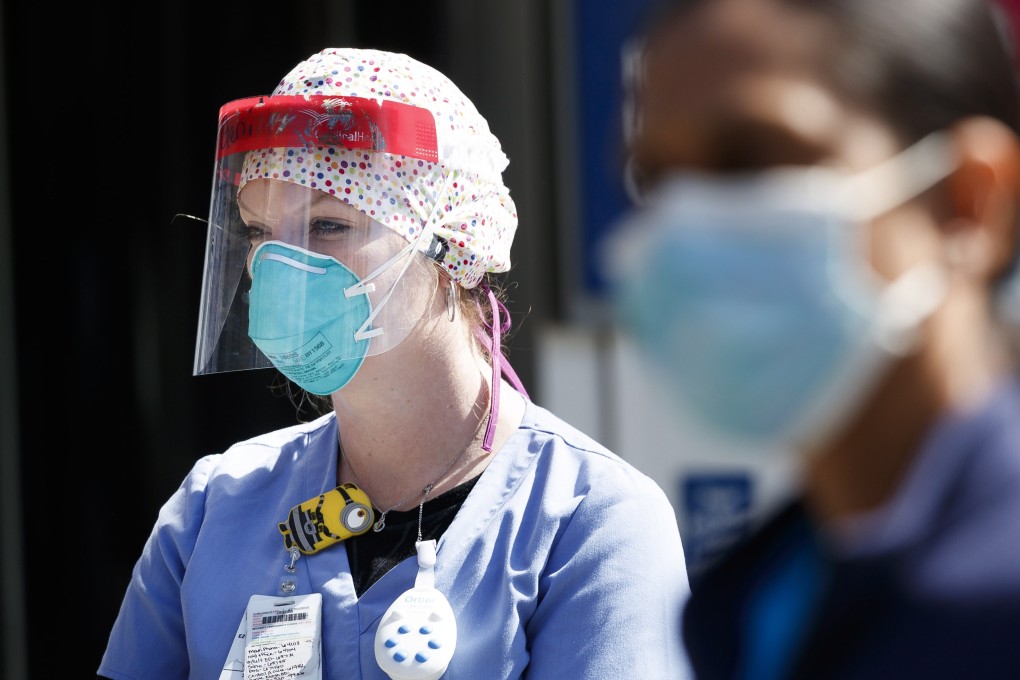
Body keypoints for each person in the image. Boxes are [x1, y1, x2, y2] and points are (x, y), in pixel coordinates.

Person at [97, 47, 692, 679]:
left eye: (327, 225)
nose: (278, 269)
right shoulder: (213, 509)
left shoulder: (591, 522)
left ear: (452, 246)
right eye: (257, 233)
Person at [604, 0, 1020, 678]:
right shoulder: (749, 602)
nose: (691, 226)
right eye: (655, 179)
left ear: (968, 202)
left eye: (752, 160)